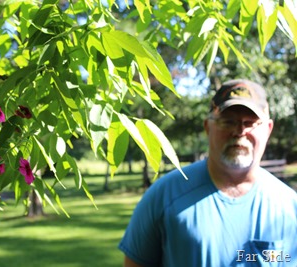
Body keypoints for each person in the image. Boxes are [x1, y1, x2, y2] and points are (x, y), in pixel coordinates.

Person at [118, 79, 297, 266]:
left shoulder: (289, 207)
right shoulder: (164, 196)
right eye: (228, 121)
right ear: (207, 127)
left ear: (268, 129)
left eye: (250, 122)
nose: (239, 131)